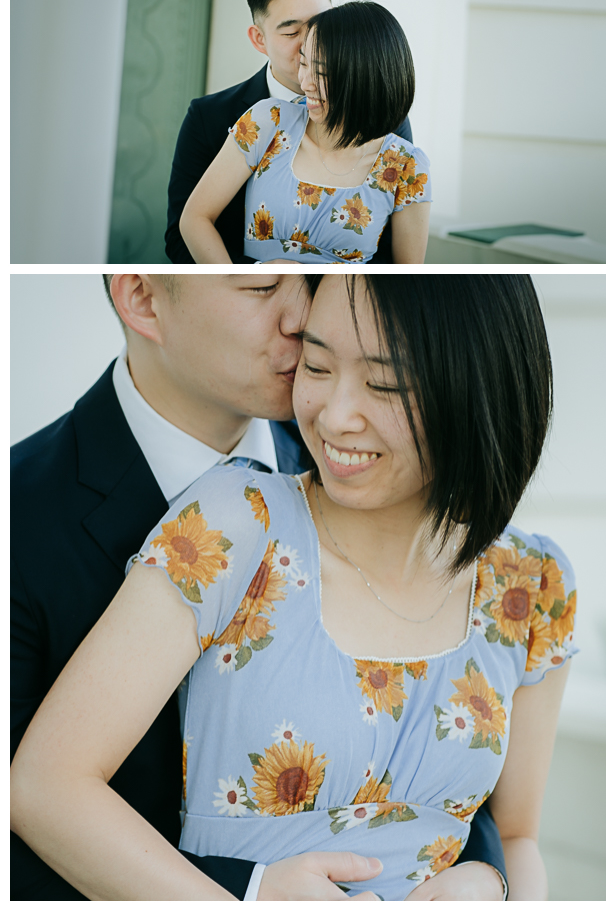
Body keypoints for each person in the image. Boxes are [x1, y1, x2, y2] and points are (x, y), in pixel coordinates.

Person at [11, 275, 576, 900]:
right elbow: (43, 789)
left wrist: (492, 886)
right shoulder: (232, 518)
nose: (334, 416)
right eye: (317, 363)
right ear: (141, 297)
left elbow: (514, 832)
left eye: (383, 383)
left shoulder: (532, 584)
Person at [165, 0, 412, 265]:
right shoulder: (209, 117)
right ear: (259, 39)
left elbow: (393, 252)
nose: (312, 41)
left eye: (323, 23)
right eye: (292, 32)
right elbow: (181, 240)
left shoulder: (385, 121)